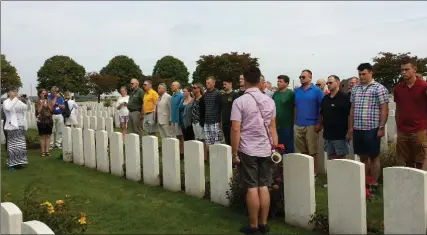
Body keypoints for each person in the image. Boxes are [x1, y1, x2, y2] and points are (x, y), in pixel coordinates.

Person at [231, 66, 278, 235]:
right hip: (266, 148)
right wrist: (274, 147)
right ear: (260, 81)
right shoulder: (270, 101)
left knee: (252, 187)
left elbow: (236, 128)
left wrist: (234, 153)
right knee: (264, 186)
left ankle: (253, 226)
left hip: (248, 149)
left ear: (245, 80)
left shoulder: (240, 101)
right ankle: (264, 224)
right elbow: (273, 126)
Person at [347, 63, 389, 194]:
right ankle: (364, 181)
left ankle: (374, 182)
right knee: (362, 156)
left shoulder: (379, 88)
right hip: (358, 128)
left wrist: (381, 127)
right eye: (360, 74)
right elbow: (352, 108)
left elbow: (384, 109)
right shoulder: (356, 89)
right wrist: (350, 128)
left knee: (374, 156)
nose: (361, 76)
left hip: (372, 127)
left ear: (371, 73)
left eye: (364, 74)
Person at [394, 60, 427, 169]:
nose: (403, 72)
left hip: (419, 129)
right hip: (403, 130)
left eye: (406, 69)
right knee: (404, 160)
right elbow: (398, 108)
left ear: (414, 70)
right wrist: (398, 126)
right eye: (402, 70)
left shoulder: (423, 86)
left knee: (420, 160)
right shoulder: (398, 88)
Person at [294, 69, 324, 175]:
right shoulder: (297, 91)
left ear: (310, 78)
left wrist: (319, 123)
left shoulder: (317, 91)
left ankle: (314, 172)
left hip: (311, 124)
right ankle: (305, 172)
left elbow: (322, 108)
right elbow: (295, 107)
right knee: (301, 151)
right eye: (300, 77)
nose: (301, 79)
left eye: (303, 77)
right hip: (298, 124)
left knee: (312, 151)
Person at [319, 75, 350, 160]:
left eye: (330, 82)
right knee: (331, 157)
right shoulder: (325, 98)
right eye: (327, 83)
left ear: (337, 83)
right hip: (328, 134)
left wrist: (349, 131)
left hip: (340, 135)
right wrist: (320, 125)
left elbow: (350, 115)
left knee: (341, 159)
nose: (328, 84)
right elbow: (321, 113)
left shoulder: (344, 97)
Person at [3, 88, 31, 171]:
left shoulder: (18, 101)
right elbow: (8, 108)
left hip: (21, 125)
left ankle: (19, 163)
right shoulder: (6, 102)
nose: (15, 93)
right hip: (12, 126)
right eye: (13, 91)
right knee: (13, 146)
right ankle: (11, 164)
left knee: (20, 146)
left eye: (16, 92)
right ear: (8, 93)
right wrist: (16, 98)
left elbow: (27, 108)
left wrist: (28, 100)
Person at [273, 75, 295, 153]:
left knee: (288, 148)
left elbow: (295, 108)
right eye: (278, 81)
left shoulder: (291, 94)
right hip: (276, 126)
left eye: (280, 81)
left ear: (286, 83)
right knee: (278, 147)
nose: (278, 83)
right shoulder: (275, 94)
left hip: (288, 126)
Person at [204, 76, 222, 151]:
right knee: (208, 142)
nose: (207, 84)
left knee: (216, 142)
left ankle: (217, 160)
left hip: (215, 121)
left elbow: (220, 108)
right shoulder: (205, 94)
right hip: (206, 121)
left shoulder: (218, 94)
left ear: (213, 83)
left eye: (208, 83)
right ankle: (210, 160)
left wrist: (220, 121)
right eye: (206, 83)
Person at [35, 89, 54, 157]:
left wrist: (48, 106)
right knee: (42, 136)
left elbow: (52, 110)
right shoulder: (37, 102)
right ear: (40, 94)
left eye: (45, 93)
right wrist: (42, 104)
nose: (44, 95)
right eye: (43, 93)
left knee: (48, 136)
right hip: (41, 120)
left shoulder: (49, 101)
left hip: (49, 120)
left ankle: (47, 151)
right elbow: (37, 111)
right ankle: (42, 151)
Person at [191, 83, 207, 160]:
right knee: (197, 139)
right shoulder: (194, 99)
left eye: (194, 88)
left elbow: (204, 112)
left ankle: (205, 157)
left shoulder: (202, 99)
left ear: (199, 89)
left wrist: (202, 122)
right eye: (193, 88)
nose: (193, 89)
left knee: (202, 140)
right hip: (194, 122)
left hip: (199, 122)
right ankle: (199, 156)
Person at [171, 81, 185, 155]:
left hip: (178, 119)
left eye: (173, 85)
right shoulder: (173, 95)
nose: (171, 86)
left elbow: (182, 108)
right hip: (173, 119)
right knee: (175, 136)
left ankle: (182, 152)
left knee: (180, 136)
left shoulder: (181, 95)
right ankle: (177, 151)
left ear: (177, 86)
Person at [221, 79, 236, 145]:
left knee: (233, 140)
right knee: (227, 141)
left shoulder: (235, 95)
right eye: (223, 84)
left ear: (230, 84)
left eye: (225, 84)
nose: (224, 86)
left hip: (232, 122)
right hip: (225, 122)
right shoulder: (222, 96)